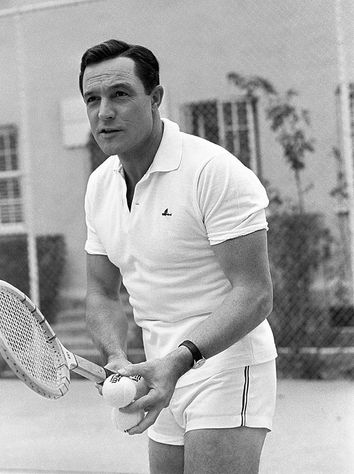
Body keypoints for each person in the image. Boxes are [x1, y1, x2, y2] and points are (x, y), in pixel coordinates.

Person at [79, 39, 277, 474]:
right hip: (156, 371)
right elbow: (101, 291)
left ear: (156, 99)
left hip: (226, 365)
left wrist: (181, 359)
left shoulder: (211, 171)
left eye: (120, 94)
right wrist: (115, 355)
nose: (104, 112)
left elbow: (255, 293)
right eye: (92, 99)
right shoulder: (99, 186)